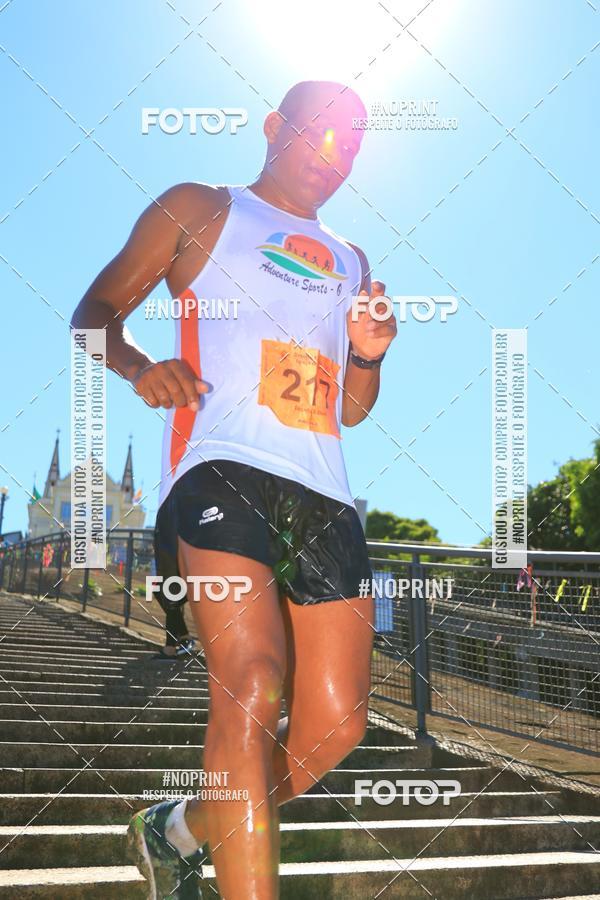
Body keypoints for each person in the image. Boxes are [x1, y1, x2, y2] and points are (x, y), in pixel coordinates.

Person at [72, 80, 397, 900]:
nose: (339, 153)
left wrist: (367, 354)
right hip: (221, 469)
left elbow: (351, 412)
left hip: (323, 493)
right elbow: (94, 311)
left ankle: (177, 830)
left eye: (354, 141)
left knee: (336, 728)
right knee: (252, 685)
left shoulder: (353, 258)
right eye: (323, 133)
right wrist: (142, 366)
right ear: (274, 128)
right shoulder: (200, 208)